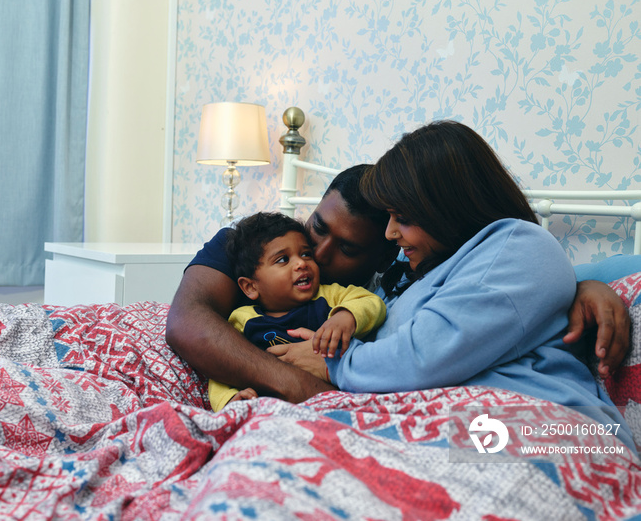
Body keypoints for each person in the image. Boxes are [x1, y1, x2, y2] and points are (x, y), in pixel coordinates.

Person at [166, 165, 630, 405]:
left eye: (346, 249)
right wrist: (299, 387)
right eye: (318, 228)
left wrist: (585, 284)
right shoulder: (249, 242)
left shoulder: (390, 283)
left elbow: (498, 295)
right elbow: (186, 324)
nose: (318, 257)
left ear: (388, 249)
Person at [297, 120, 633, 447]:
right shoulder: (408, 269)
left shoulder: (520, 245)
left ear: (448, 210)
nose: (390, 233)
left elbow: (425, 356)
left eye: (404, 218)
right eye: (389, 217)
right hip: (456, 425)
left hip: (539, 425)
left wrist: (335, 363)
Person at [208, 212, 386, 411]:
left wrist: (346, 316)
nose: (301, 263)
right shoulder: (243, 320)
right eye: (283, 259)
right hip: (269, 409)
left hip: (327, 403)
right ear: (251, 287)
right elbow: (224, 365)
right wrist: (229, 398)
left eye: (305, 254)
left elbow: (371, 301)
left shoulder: (329, 295)